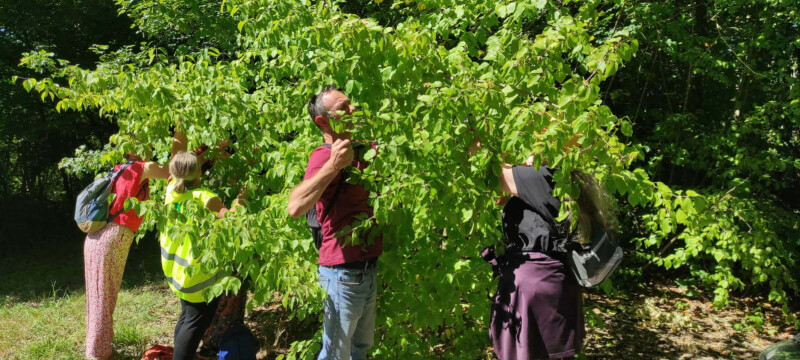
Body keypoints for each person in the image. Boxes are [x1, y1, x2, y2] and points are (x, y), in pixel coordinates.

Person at [474, 140, 614, 360]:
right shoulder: (565, 182)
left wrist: (472, 137)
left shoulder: (540, 177)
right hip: (556, 281)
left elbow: (490, 171)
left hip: (532, 287)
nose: (527, 157)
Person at [287, 85, 382, 360]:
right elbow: (295, 206)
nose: (353, 110)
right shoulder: (324, 155)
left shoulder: (364, 149)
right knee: (335, 355)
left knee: (359, 351)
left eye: (351, 104)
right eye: (343, 108)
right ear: (323, 121)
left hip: (367, 268)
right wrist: (334, 165)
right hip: (342, 274)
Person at [83, 136, 176, 359]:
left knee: (98, 298)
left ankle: (99, 349)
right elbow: (177, 169)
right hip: (113, 236)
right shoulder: (142, 167)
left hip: (95, 237)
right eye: (147, 142)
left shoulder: (117, 169)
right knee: (104, 299)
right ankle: (97, 354)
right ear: (135, 148)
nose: (151, 144)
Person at [161, 136, 246, 360]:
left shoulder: (171, 189)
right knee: (195, 323)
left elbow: (182, 156)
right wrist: (242, 199)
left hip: (177, 270)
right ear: (199, 172)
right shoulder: (205, 198)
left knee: (187, 316)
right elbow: (233, 221)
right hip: (197, 273)